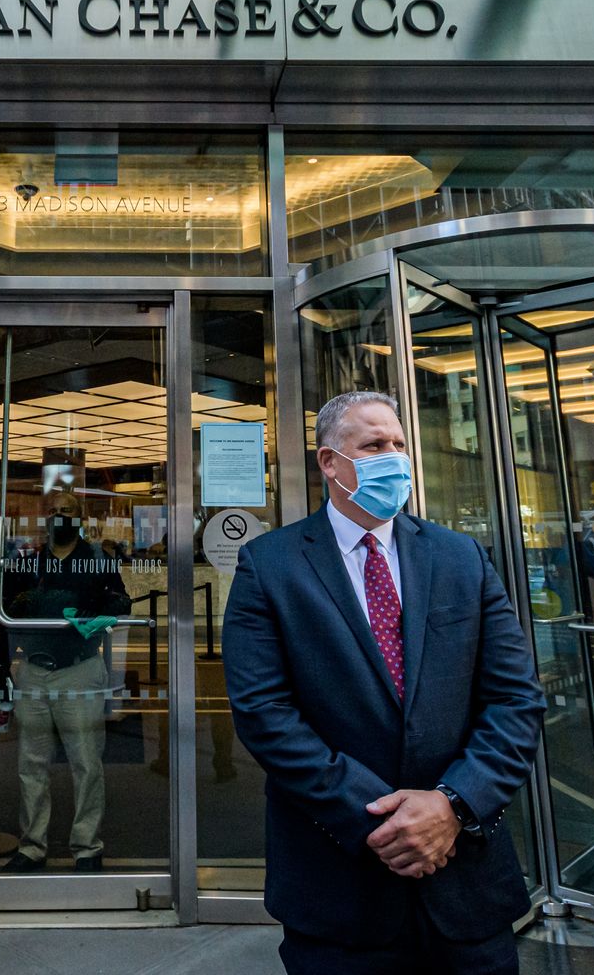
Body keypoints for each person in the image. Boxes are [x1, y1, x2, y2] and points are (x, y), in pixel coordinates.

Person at [223, 391, 543, 975]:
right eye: (374, 445)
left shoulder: (461, 557)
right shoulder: (269, 566)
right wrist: (385, 824)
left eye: (399, 445)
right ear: (329, 463)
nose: (393, 458)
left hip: (466, 885)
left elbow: (516, 698)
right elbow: (264, 714)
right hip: (340, 893)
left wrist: (450, 806)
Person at [0, 489, 130, 872]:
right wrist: (14, 662)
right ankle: (32, 846)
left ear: (81, 516)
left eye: (67, 511)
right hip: (34, 671)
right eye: (54, 511)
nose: (60, 516)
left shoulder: (96, 560)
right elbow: (5, 610)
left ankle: (87, 846)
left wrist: (96, 612)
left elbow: (121, 602)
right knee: (31, 765)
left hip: (80, 667)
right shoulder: (29, 562)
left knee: (86, 763)